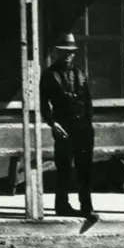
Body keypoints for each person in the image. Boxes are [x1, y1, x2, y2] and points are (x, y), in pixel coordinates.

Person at [41, 32, 96, 219]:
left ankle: (87, 208)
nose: (68, 55)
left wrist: (89, 124)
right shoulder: (49, 75)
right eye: (64, 52)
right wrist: (53, 124)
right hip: (63, 128)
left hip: (83, 128)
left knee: (84, 169)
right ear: (57, 52)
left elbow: (88, 101)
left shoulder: (80, 73)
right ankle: (62, 205)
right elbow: (43, 105)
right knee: (64, 168)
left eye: (71, 52)